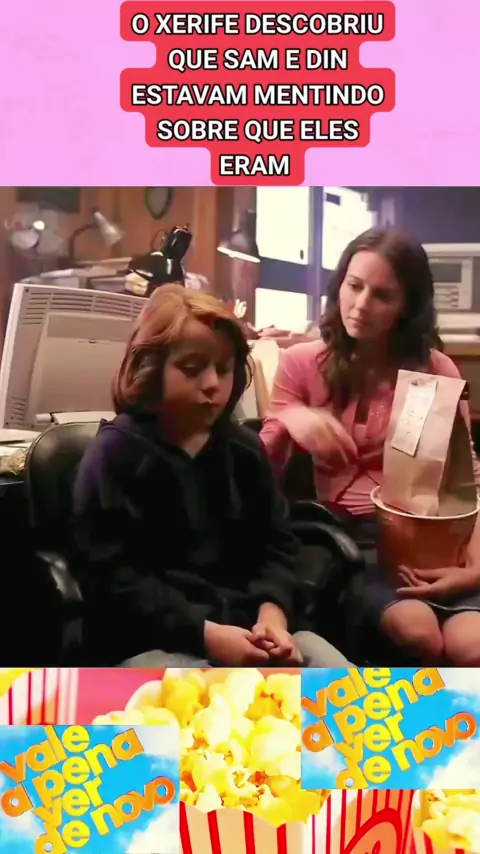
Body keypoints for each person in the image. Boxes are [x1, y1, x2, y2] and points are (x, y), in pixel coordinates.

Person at [72, 284, 349, 668]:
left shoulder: (244, 450)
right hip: (154, 640)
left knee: (351, 690)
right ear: (151, 368)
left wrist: (272, 615)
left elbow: (278, 546)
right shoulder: (116, 456)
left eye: (224, 369)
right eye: (191, 369)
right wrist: (205, 634)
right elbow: (112, 580)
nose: (212, 384)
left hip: (252, 629)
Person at [260, 227, 480, 666]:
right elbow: (256, 473)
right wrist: (288, 419)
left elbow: (469, 478)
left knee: (470, 646)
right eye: (354, 285)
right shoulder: (302, 362)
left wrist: (473, 570)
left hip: (431, 539)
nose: (360, 305)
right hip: (353, 543)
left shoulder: (436, 367)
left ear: (407, 306)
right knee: (419, 633)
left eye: (382, 295)